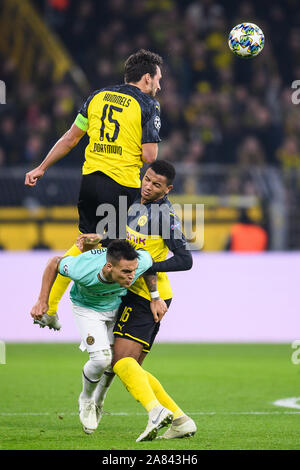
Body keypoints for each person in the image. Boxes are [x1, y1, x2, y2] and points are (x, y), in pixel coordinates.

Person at [25, 49, 163, 327]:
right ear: (147, 78)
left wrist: (42, 167)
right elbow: (150, 156)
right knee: (117, 253)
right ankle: (102, 317)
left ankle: (51, 306)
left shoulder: (97, 96)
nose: (160, 86)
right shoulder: (148, 106)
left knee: (89, 244)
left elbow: (70, 138)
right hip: (120, 185)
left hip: (90, 182)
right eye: (159, 79)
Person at [76, 160, 197, 441]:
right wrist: (102, 238)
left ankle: (157, 412)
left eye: (156, 184)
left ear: (168, 189)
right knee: (130, 366)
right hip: (136, 292)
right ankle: (179, 419)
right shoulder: (135, 203)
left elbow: (185, 260)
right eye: (147, 179)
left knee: (120, 362)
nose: (148, 186)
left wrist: (148, 267)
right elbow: (129, 246)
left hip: (148, 297)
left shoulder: (165, 217)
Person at [30, 239, 169, 435]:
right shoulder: (83, 268)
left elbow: (148, 266)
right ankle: (86, 399)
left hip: (116, 306)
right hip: (87, 309)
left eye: (133, 271)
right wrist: (42, 301)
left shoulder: (138, 262)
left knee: (116, 361)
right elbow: (54, 263)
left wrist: (155, 297)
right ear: (109, 266)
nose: (131, 277)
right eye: (126, 272)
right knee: (101, 358)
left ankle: (99, 401)